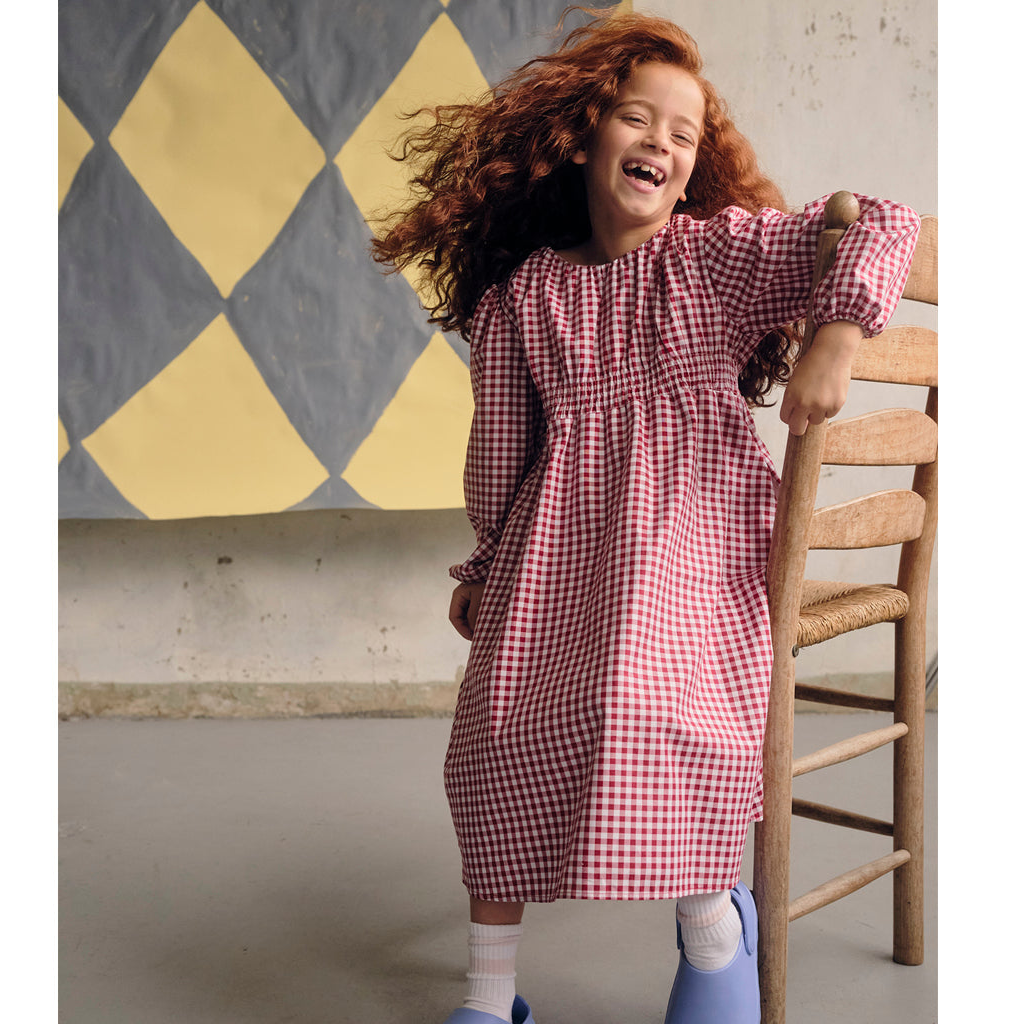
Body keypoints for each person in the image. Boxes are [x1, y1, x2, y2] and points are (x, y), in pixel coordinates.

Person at [372, 10, 919, 1024]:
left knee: (651, 698)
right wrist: (485, 565)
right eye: (638, 118)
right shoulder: (525, 297)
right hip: (560, 556)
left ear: (693, 165)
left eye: (685, 132)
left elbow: (882, 219)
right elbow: (501, 451)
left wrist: (835, 341)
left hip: (694, 547)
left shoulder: (714, 259)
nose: (662, 142)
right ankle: (490, 994)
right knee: (495, 722)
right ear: (582, 136)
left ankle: (714, 933)